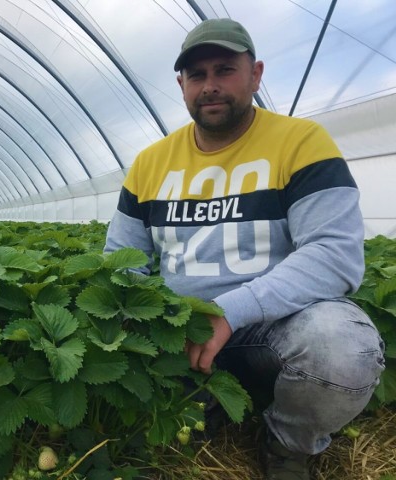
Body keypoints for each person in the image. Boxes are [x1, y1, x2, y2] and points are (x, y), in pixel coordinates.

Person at [103, 18, 385, 480]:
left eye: (224, 70)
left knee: (343, 349)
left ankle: (288, 444)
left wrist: (229, 311)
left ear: (255, 74)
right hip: (181, 331)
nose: (210, 86)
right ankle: (199, 406)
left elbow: (335, 254)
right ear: (182, 85)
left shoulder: (300, 143)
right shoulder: (150, 164)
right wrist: (146, 323)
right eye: (197, 75)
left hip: (273, 330)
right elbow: (121, 262)